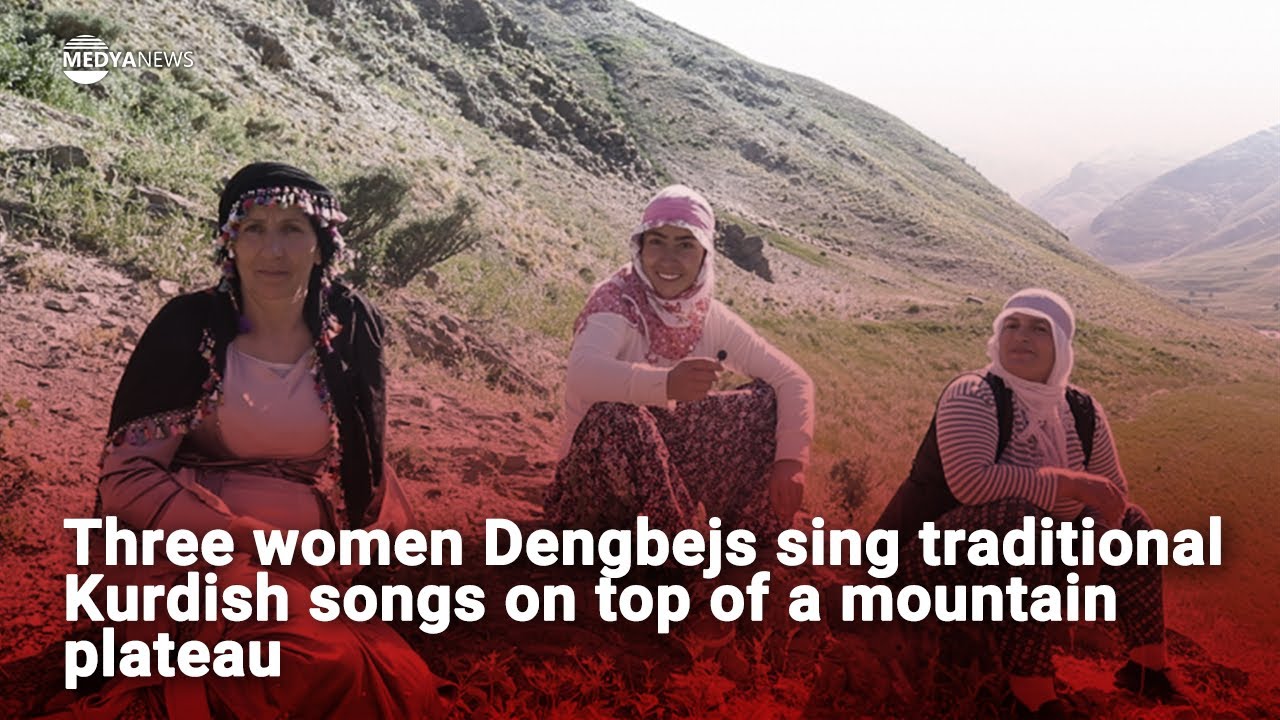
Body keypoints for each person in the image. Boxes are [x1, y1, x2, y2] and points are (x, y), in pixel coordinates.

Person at [64, 162, 456, 718]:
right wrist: (243, 535)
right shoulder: (188, 326)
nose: (273, 250)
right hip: (190, 550)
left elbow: (367, 465)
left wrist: (356, 547)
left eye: (293, 229)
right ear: (230, 244)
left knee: (404, 684)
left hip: (307, 560)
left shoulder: (349, 329)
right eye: (254, 228)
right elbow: (126, 475)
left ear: (322, 247)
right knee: (320, 661)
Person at [873, 288, 1186, 719]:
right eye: (1012, 326)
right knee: (1021, 521)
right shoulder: (974, 393)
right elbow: (972, 484)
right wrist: (1072, 483)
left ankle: (1147, 668)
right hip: (920, 559)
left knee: (1133, 525)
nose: (1022, 337)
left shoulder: (1081, 409)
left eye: (1039, 329)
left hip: (1021, 561)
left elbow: (1111, 493)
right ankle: (1031, 696)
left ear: (1061, 344)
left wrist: (1084, 571)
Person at [544, 184, 815, 541]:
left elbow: (793, 380)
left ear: (704, 254)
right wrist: (667, 384)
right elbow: (583, 374)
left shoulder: (705, 313)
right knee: (617, 415)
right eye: (657, 242)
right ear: (640, 247)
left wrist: (791, 463)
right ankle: (666, 554)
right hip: (595, 490)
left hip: (667, 480)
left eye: (685, 245)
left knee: (764, 400)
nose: (668, 259)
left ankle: (750, 534)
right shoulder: (615, 302)